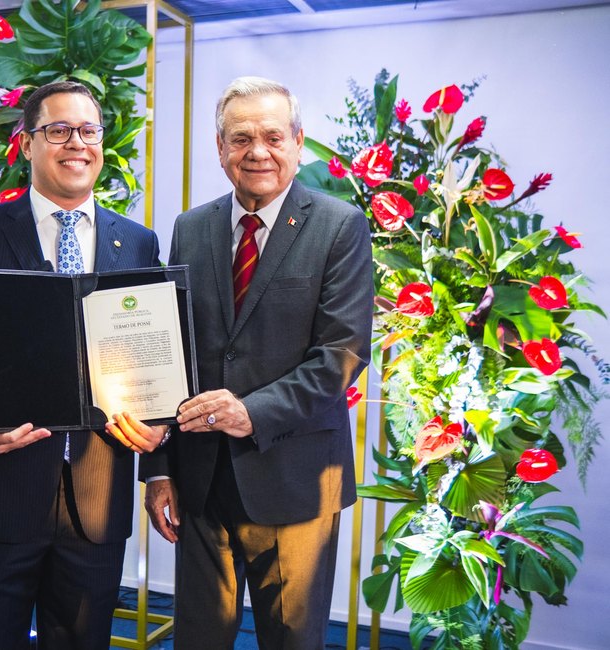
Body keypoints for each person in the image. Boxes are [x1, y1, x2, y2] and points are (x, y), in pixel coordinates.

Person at [0, 81, 163, 650]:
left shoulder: (139, 243)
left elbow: (152, 358)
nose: (77, 143)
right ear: (27, 144)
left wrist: (159, 424)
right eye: (58, 130)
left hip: (98, 500)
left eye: (89, 130)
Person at [140, 76, 373, 648]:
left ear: (298, 141)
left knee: (291, 639)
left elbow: (342, 353)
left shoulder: (340, 226)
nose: (257, 152)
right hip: (200, 480)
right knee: (197, 638)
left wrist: (251, 411)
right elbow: (171, 352)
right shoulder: (190, 228)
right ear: (221, 150)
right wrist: (161, 467)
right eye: (240, 138)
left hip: (295, 479)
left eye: (272, 136)